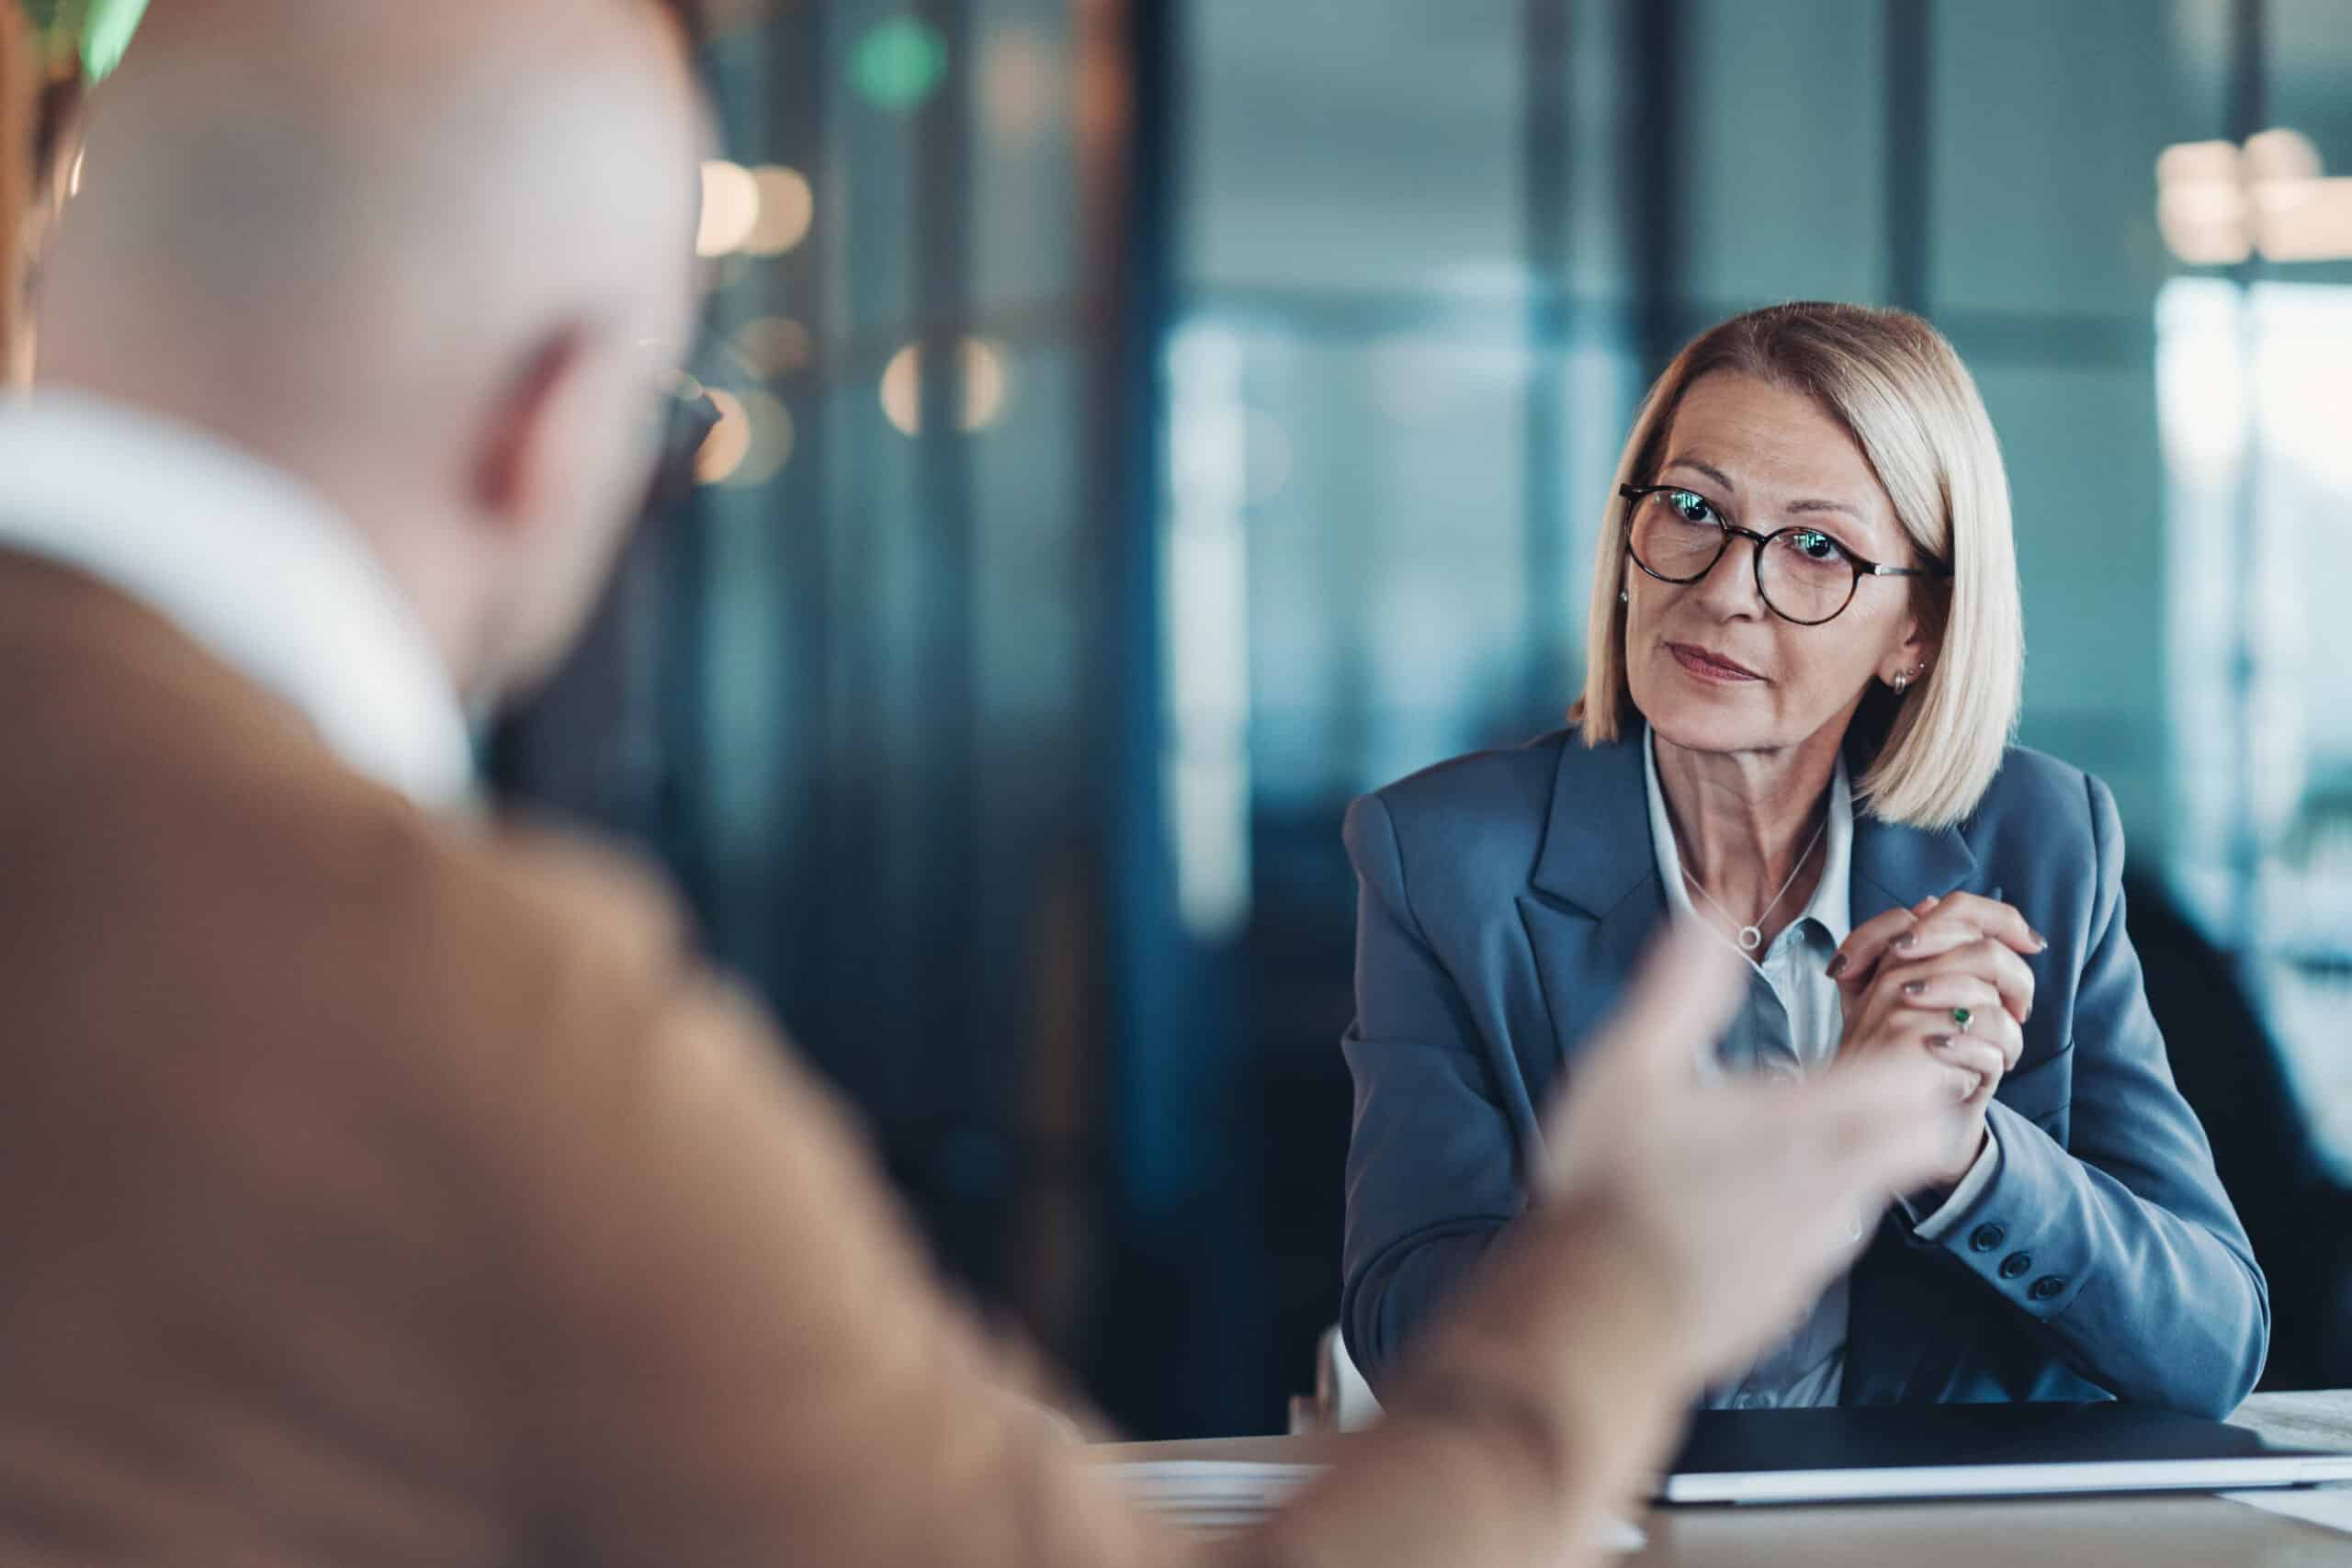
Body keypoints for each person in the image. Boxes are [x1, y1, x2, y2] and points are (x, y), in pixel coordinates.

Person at [0, 5, 1977, 1565]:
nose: (1730, 585)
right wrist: (1624, 1287)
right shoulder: (456, 1005)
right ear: (547, 422)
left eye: (1817, 549)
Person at [1340, 301, 2269, 1420]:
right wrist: (1643, 1235)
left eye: (1817, 546)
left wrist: (1959, 1150)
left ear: (1918, 629)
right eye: (1691, 510)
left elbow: (2211, 1343)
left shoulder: (2041, 837)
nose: (1725, 588)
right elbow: (1398, 1322)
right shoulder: (1443, 854)